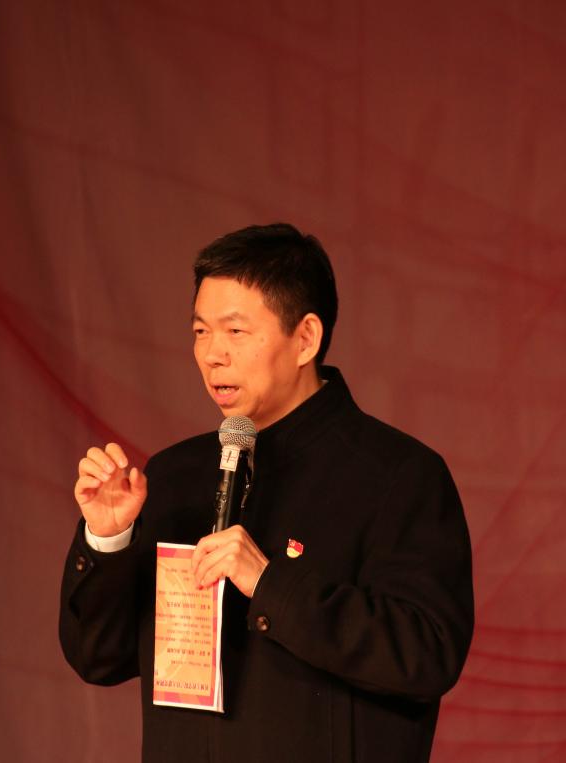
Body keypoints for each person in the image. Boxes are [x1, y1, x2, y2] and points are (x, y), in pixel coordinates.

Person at [59, 223, 474, 762]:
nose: (212, 354)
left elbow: (428, 655)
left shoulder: (398, 474)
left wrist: (270, 584)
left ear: (305, 339)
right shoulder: (176, 475)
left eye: (235, 331)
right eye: (201, 331)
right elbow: (99, 659)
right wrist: (108, 541)